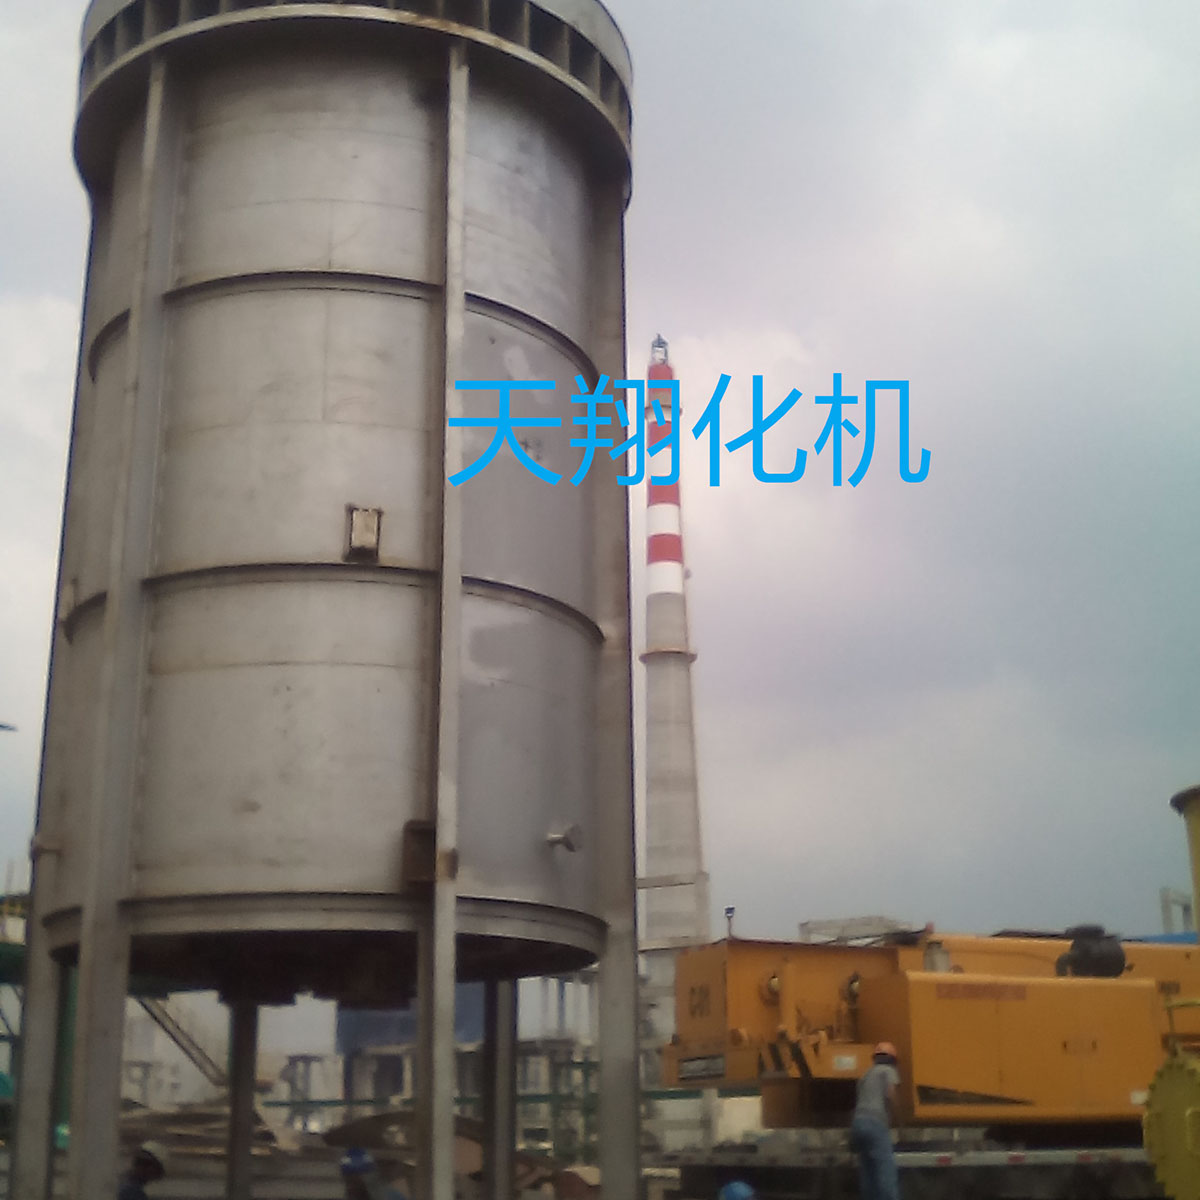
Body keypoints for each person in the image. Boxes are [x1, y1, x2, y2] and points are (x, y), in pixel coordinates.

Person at [849, 1042, 901, 1200]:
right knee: (886, 1172)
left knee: (868, 1171)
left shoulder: (865, 1074)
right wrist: (898, 1117)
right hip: (875, 1124)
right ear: (892, 1059)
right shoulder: (888, 1070)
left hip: (858, 1124)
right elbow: (890, 1094)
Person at [340, 1148, 407, 1200]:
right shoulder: (347, 1193)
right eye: (351, 1176)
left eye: (361, 1174)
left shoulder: (391, 1196)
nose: (355, 1179)